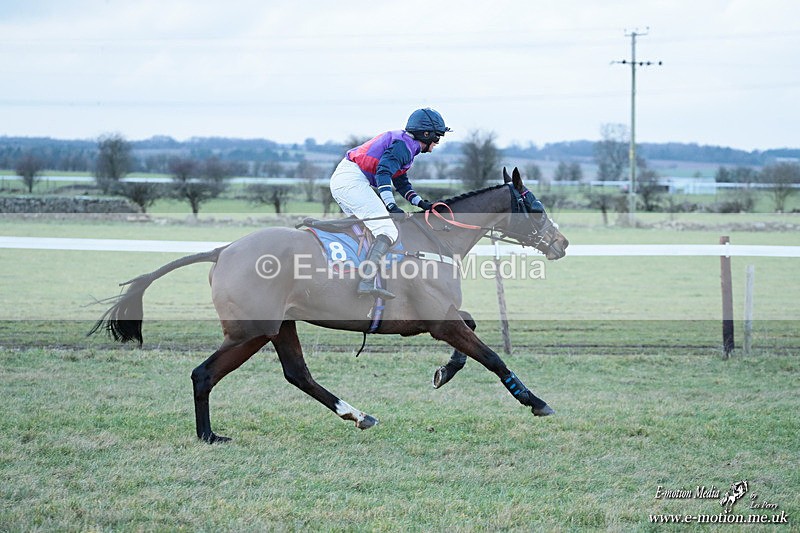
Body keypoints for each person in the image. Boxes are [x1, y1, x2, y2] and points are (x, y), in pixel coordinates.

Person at [330, 108, 451, 299]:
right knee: (387, 230)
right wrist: (391, 206)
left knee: (369, 228)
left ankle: (355, 275)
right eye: (437, 138)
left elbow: (401, 181)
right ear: (426, 134)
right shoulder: (404, 146)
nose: (436, 143)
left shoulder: (406, 145)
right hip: (352, 181)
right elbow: (383, 172)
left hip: (347, 179)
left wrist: (421, 203)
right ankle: (367, 282)